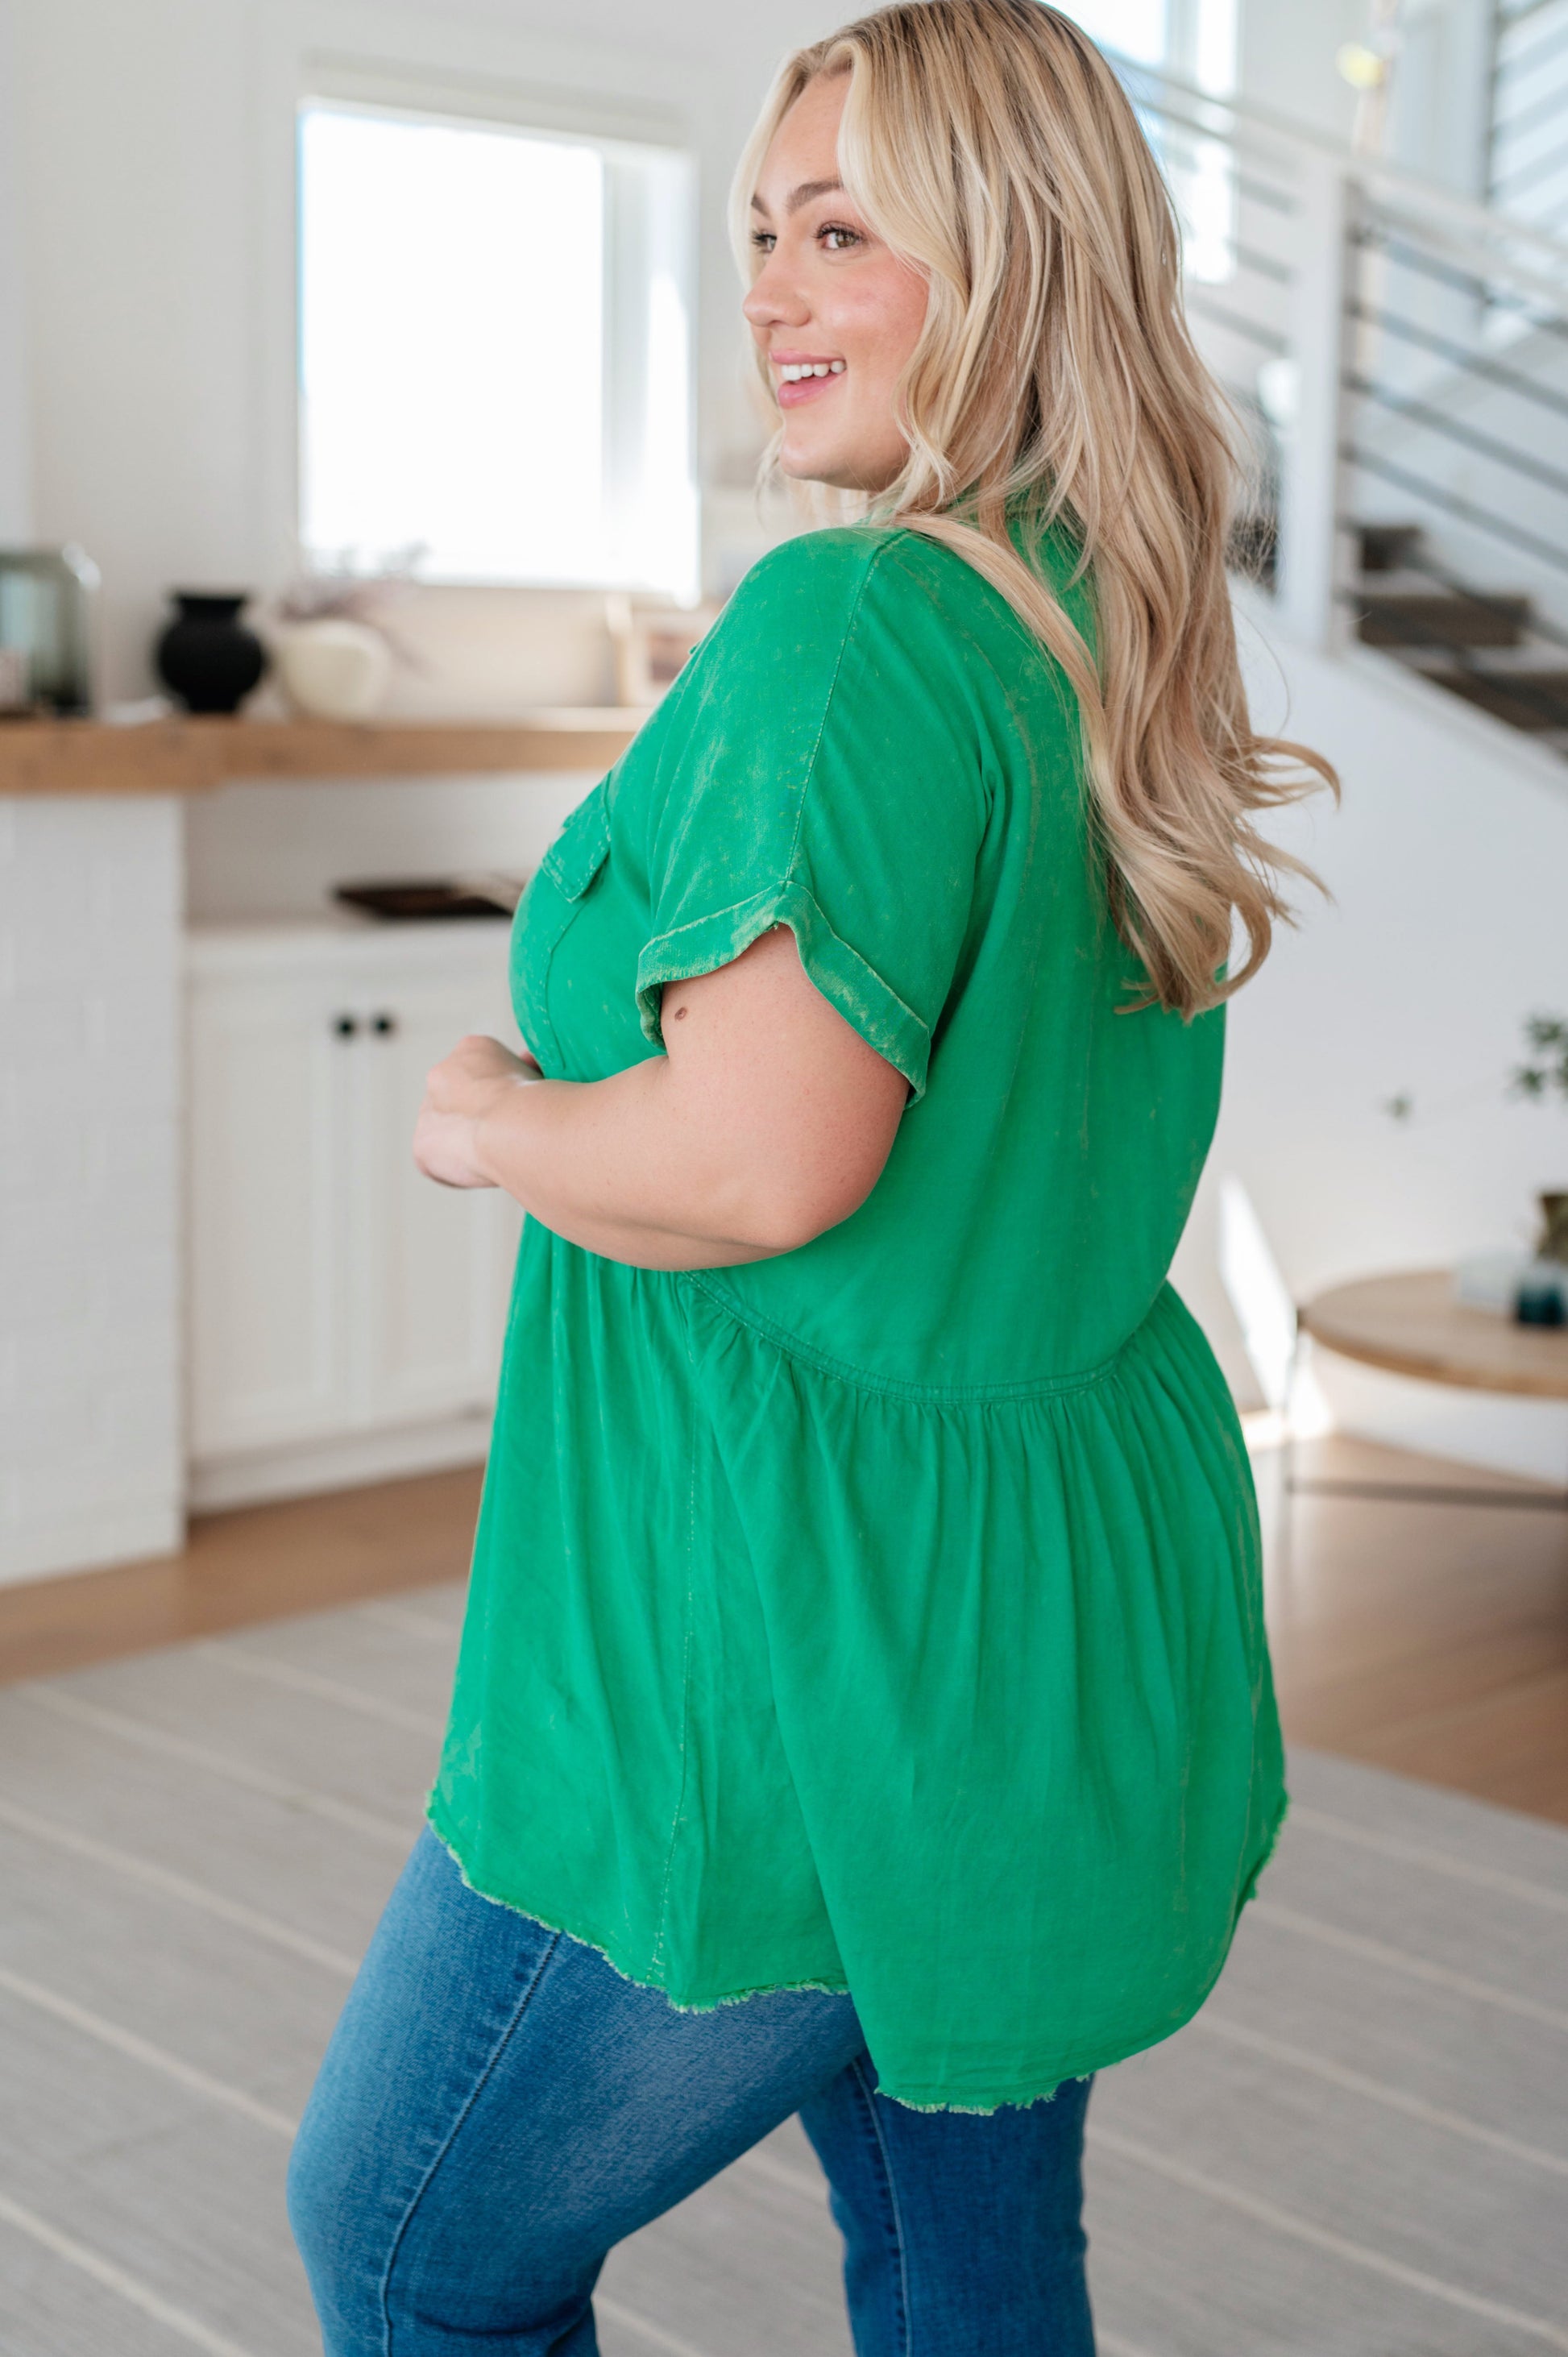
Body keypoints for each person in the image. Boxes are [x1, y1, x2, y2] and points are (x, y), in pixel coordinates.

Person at [287, 5, 1334, 2350]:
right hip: (1039, 1604)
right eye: (761, 228)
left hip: (772, 1620)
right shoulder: (1102, 617)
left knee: (405, 2239)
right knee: (960, 2260)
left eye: (841, 230)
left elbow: (756, 1165)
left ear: (1014, 254)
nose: (768, 284)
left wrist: (481, 1118)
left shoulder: (849, 620)